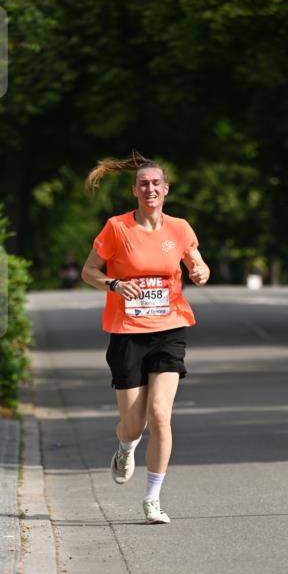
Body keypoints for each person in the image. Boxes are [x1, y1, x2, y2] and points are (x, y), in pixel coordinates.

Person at [81, 154, 210, 524]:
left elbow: (197, 262)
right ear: (134, 190)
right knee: (134, 425)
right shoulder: (117, 228)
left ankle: (152, 499)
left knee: (160, 415)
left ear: (165, 189)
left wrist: (201, 271)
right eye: (143, 184)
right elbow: (89, 271)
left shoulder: (180, 228)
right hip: (127, 333)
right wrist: (115, 284)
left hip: (169, 329)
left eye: (156, 183)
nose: (150, 189)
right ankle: (125, 446)